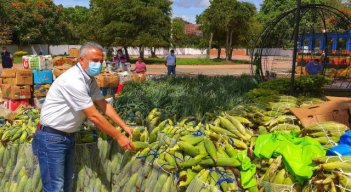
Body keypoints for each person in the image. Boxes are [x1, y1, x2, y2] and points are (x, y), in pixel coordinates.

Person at [32, 42, 134, 192]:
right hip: (51, 138)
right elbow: (93, 115)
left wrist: (124, 126)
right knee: (55, 187)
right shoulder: (73, 80)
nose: (98, 64)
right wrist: (118, 136)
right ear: (81, 59)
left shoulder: (89, 79)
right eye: (94, 60)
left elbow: (103, 105)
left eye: (100, 61)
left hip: (67, 136)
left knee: (67, 185)